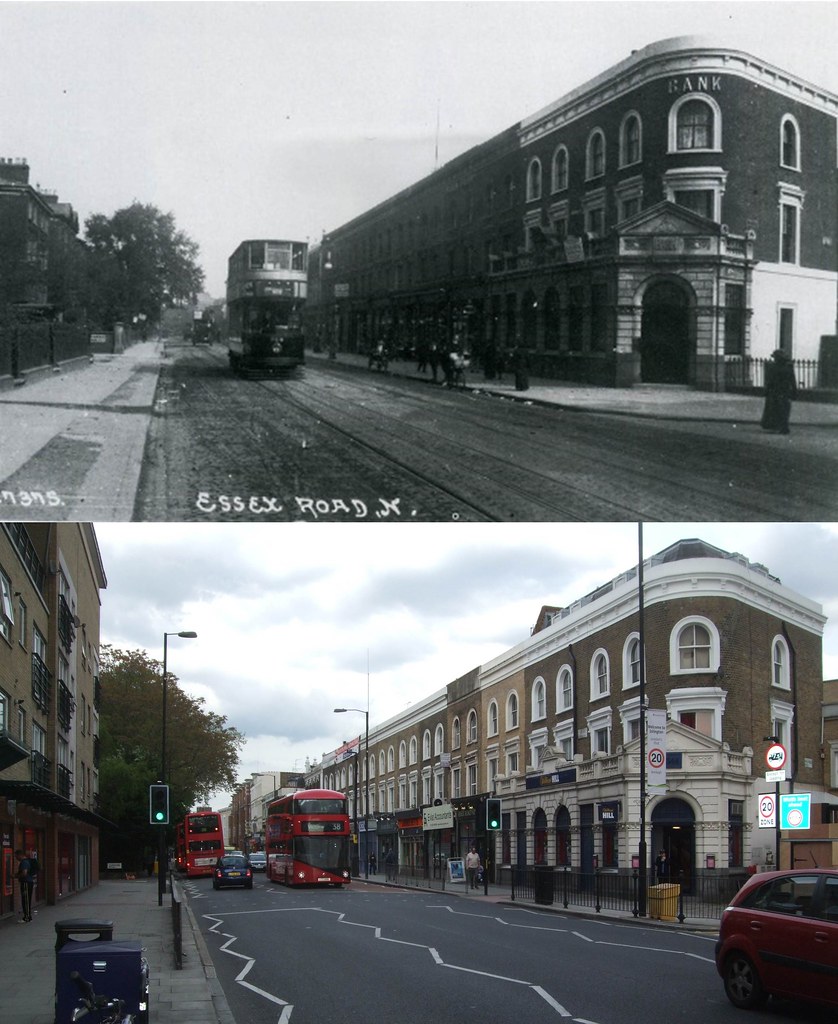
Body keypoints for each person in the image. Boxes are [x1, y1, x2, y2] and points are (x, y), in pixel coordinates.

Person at [761, 348, 797, 434]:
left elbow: (770, 381)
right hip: (785, 391)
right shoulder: (789, 367)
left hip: (775, 392)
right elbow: (793, 381)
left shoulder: (774, 367)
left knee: (776, 409)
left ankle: (780, 426)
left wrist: (766, 391)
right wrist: (794, 392)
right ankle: (784, 426)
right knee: (784, 409)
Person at [15, 849, 34, 922]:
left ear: (20, 855)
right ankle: (28, 916)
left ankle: (27, 917)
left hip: (26, 882)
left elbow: (24, 873)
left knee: (25, 900)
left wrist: (15, 876)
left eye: (16, 856)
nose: (16, 858)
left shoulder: (24, 862)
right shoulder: (27, 861)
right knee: (27, 900)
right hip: (29, 882)